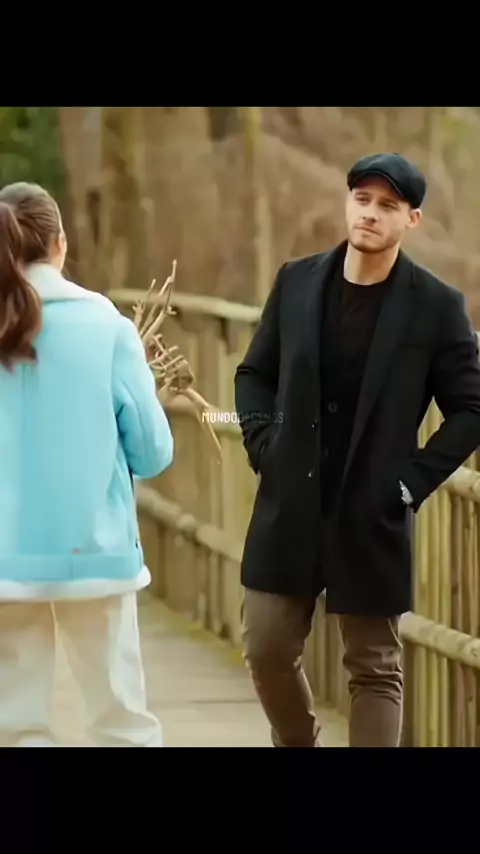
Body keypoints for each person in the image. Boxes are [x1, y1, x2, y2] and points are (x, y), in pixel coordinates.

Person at [234, 152, 480, 747]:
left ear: (411, 220)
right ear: (347, 203)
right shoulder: (297, 281)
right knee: (266, 647)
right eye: (362, 200)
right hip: (290, 504)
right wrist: (265, 444)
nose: (370, 214)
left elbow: (471, 409)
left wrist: (411, 481)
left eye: (387, 206)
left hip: (372, 511)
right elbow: (254, 374)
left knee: (373, 668)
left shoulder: (436, 306)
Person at [0, 181, 174, 747]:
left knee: (17, 724)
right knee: (120, 721)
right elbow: (153, 452)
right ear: (61, 244)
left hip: (6, 558)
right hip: (96, 551)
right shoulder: (107, 326)